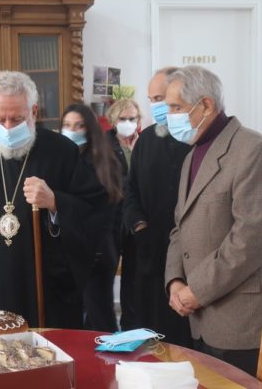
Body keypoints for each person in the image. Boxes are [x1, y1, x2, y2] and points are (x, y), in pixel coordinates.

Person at [0, 71, 107, 329]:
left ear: (33, 111)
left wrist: (55, 202)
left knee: (47, 350)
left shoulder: (62, 152)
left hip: (47, 289)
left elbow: (95, 210)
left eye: (16, 119)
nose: (8, 127)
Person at [164, 65, 262, 376]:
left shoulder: (254, 150)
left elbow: (251, 239)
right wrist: (175, 281)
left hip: (241, 318)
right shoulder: (193, 154)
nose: (169, 116)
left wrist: (197, 290)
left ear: (206, 105)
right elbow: (180, 225)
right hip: (201, 313)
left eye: (176, 107)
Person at [122, 68, 192, 347]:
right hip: (149, 251)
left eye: (161, 99)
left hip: (188, 257)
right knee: (150, 335)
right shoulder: (147, 140)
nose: (156, 106)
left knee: (184, 338)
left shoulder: (195, 139)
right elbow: (130, 190)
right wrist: (139, 225)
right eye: (151, 99)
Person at [61, 103, 122, 332]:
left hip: (96, 252)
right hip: (69, 253)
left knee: (100, 318)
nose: (72, 131)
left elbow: (102, 213)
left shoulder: (103, 161)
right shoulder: (63, 159)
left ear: (90, 129)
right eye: (67, 125)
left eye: (79, 125)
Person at [105, 99, 142, 330]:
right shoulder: (103, 145)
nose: (128, 123)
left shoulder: (144, 144)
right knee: (104, 278)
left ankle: (131, 328)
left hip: (135, 221)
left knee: (134, 279)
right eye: (123, 118)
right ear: (113, 120)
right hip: (110, 221)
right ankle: (104, 329)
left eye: (132, 118)